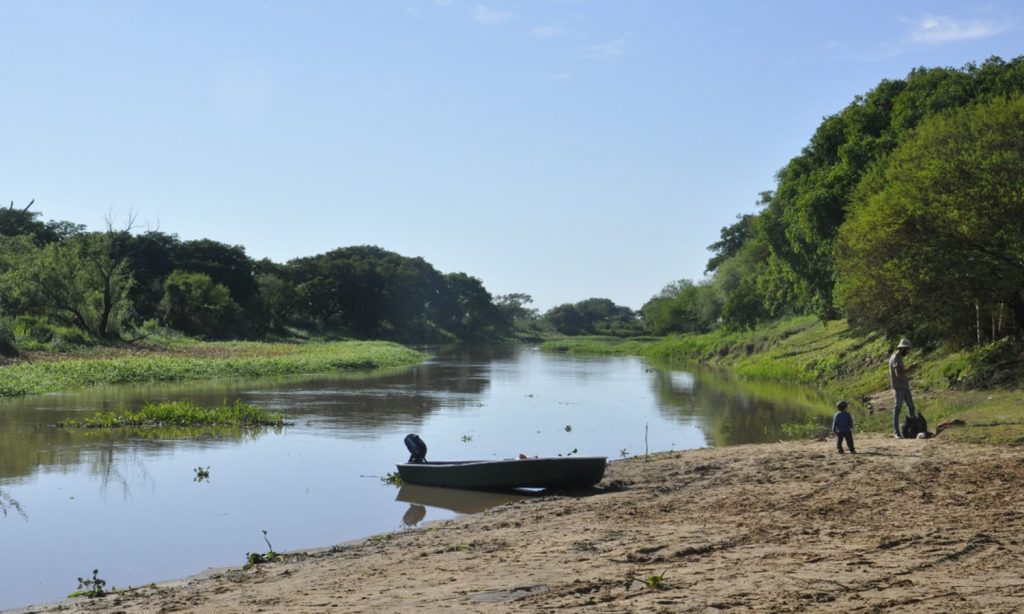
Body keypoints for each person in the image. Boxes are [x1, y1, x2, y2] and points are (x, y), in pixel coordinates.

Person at [889, 338, 917, 438]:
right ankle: (896, 432)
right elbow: (898, 374)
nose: (908, 351)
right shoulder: (896, 358)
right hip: (899, 387)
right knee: (897, 409)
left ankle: (914, 427)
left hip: (904, 386)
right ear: (903, 348)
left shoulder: (898, 357)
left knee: (911, 406)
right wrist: (910, 369)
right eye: (907, 349)